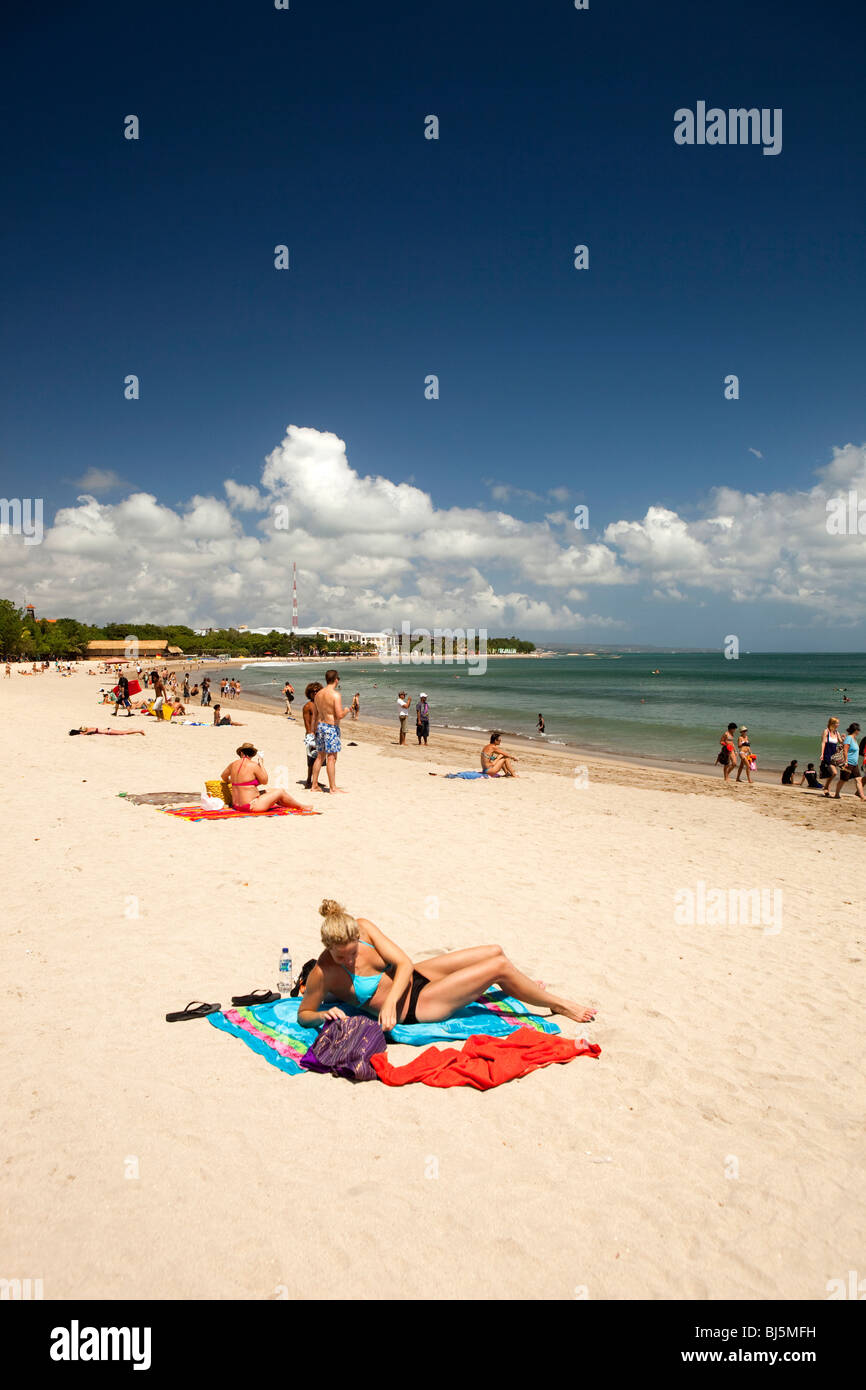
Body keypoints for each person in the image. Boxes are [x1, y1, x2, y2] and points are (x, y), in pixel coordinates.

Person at [297, 899, 596, 1032]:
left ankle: (521, 987)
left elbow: (403, 963)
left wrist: (388, 1003)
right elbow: (304, 1015)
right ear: (328, 949)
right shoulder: (323, 973)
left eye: (352, 952)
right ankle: (559, 1004)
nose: (349, 960)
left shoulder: (363, 927)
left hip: (414, 979)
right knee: (499, 966)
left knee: (494, 950)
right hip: (414, 1008)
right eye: (341, 957)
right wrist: (322, 1014)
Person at [220, 742, 308, 812]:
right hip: (251, 806)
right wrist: (261, 764)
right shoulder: (253, 765)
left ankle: (290, 804)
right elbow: (265, 781)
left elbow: (223, 776)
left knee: (271, 790)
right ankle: (301, 806)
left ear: (241, 753)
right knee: (280, 791)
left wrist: (232, 782)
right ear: (252, 755)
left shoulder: (232, 764)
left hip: (236, 805)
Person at [310, 669, 351, 793]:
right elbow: (339, 715)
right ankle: (332, 788)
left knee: (320, 757)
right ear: (336, 679)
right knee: (331, 758)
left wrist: (313, 729)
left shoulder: (318, 694)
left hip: (320, 726)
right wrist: (347, 710)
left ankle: (314, 785)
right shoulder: (335, 695)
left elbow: (315, 715)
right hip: (331, 727)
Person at [832, 723, 864, 801]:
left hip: (854, 763)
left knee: (858, 779)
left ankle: (862, 796)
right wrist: (845, 761)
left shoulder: (854, 739)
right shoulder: (849, 738)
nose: (859, 731)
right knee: (843, 780)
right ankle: (836, 794)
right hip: (848, 763)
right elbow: (845, 750)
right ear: (856, 730)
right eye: (858, 730)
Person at [302, 681, 323, 789]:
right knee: (311, 759)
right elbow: (307, 722)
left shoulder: (320, 705)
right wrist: (310, 735)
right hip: (311, 735)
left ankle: (315, 780)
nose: (315, 693)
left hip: (320, 734)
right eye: (313, 691)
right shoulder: (308, 706)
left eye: (317, 691)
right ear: (309, 693)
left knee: (319, 759)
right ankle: (309, 780)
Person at [819, 716, 841, 796]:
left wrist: (843, 738)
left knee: (832, 773)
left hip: (834, 756)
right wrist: (822, 754)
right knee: (834, 773)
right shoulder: (826, 731)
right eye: (837, 723)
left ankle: (826, 788)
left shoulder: (837, 732)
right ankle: (826, 787)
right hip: (827, 754)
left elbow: (841, 742)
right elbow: (823, 743)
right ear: (832, 723)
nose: (838, 724)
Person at [69, 726, 144, 736]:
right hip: (108, 730)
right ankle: (134, 730)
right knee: (123, 731)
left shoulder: (88, 730)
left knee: (123, 732)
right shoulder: (89, 728)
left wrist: (79, 733)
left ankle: (139, 730)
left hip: (108, 731)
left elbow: (83, 734)